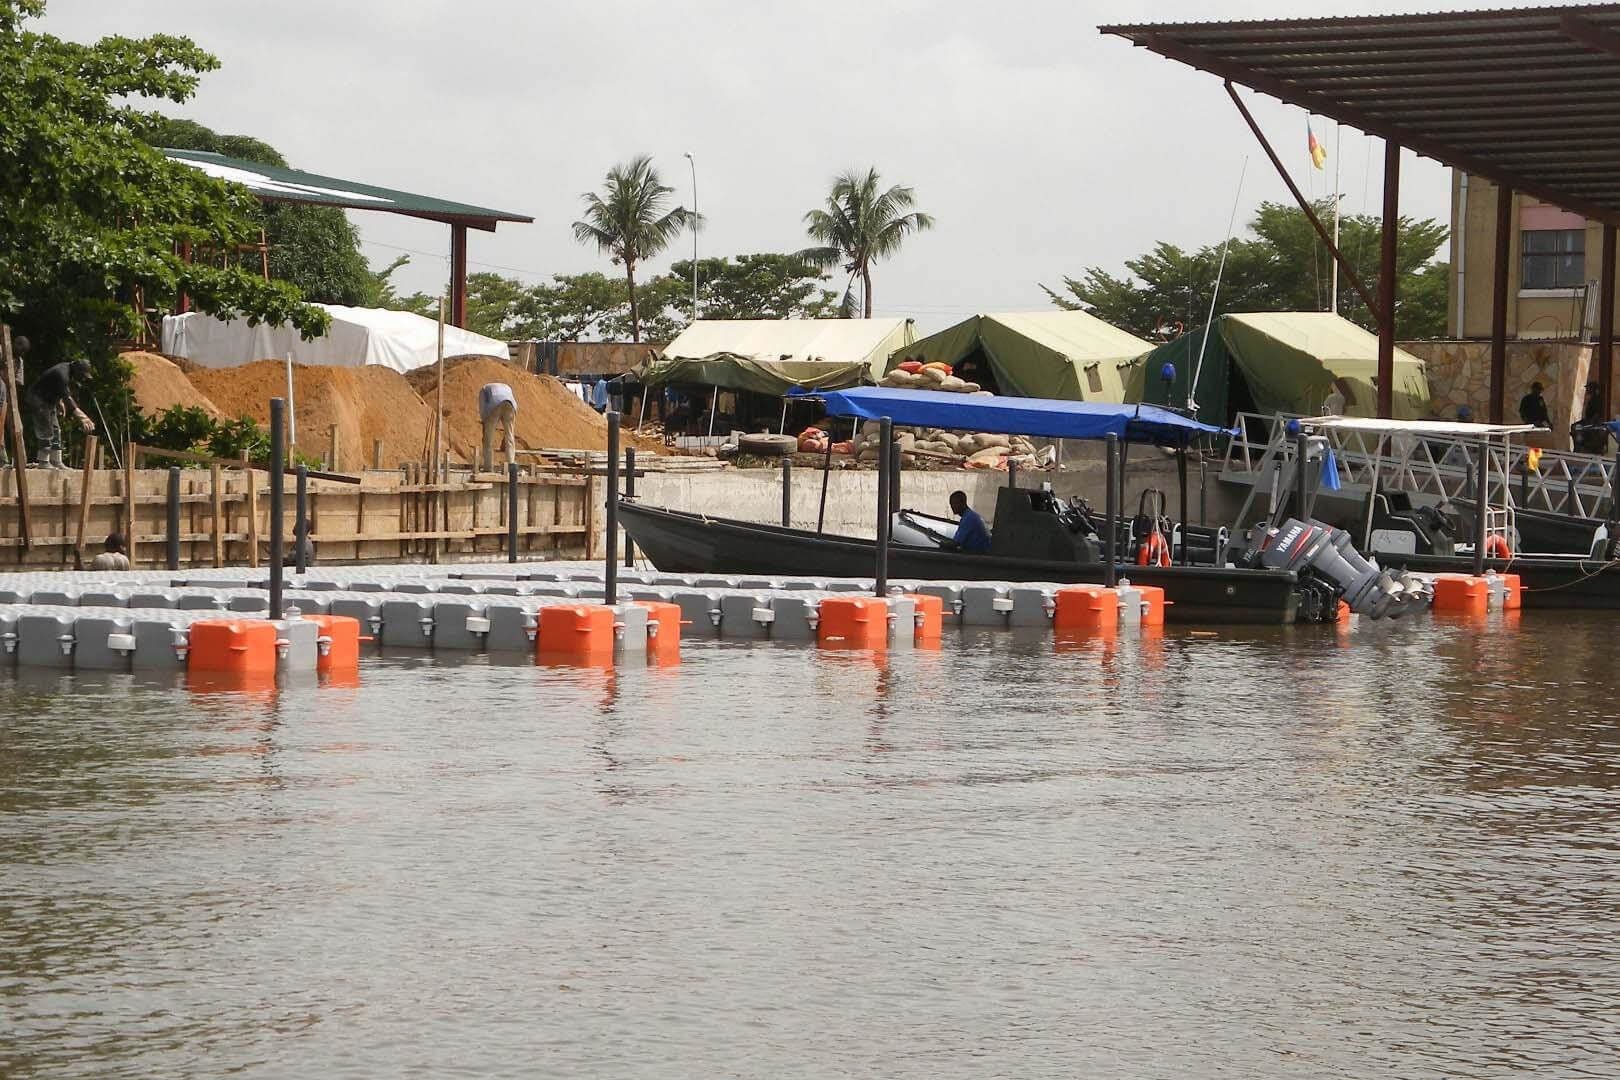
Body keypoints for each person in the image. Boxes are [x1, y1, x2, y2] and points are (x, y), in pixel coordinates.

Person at [24, 358, 92, 470]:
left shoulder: (68, 370)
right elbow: (68, 398)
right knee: (46, 429)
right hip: (38, 399)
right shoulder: (62, 373)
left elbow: (56, 387)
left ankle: (56, 461)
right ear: (77, 370)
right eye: (82, 375)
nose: (83, 379)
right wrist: (83, 418)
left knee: (56, 429)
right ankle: (43, 462)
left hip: (49, 400)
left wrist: (59, 402)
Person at [478, 381, 517, 472]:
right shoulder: (507, 386)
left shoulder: (483, 389)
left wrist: (485, 421)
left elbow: (482, 408)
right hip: (510, 404)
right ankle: (511, 466)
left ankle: (488, 467)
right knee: (510, 436)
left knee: (489, 438)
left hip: (494, 404)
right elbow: (515, 404)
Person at [0, 334, 24, 468]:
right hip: (1, 392)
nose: (19, 354)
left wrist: (13, 404)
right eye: (18, 350)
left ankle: (19, 460)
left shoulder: (19, 361)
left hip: (8, 397)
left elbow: (18, 383)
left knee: (17, 427)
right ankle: (3, 460)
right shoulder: (1, 351)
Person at [945, 490, 992, 554]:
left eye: (954, 503)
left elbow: (955, 543)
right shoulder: (970, 515)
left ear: (963, 503)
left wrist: (942, 543)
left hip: (979, 557)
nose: (952, 506)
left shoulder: (969, 519)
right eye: (951, 504)